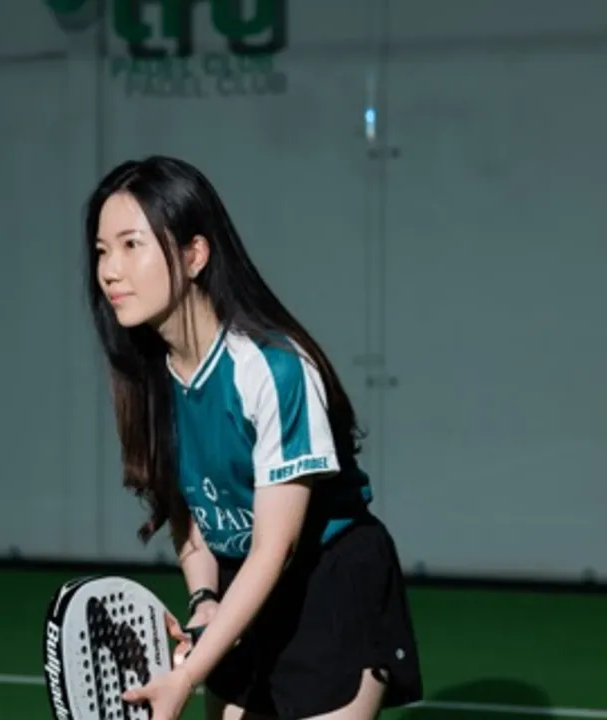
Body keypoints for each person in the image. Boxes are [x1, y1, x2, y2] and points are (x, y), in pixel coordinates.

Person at [84, 155, 423, 720]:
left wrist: (186, 675)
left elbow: (274, 548)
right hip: (240, 579)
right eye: (101, 251)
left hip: (326, 580)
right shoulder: (148, 378)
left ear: (194, 254)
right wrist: (204, 597)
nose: (110, 271)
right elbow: (188, 509)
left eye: (130, 245)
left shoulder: (273, 370)